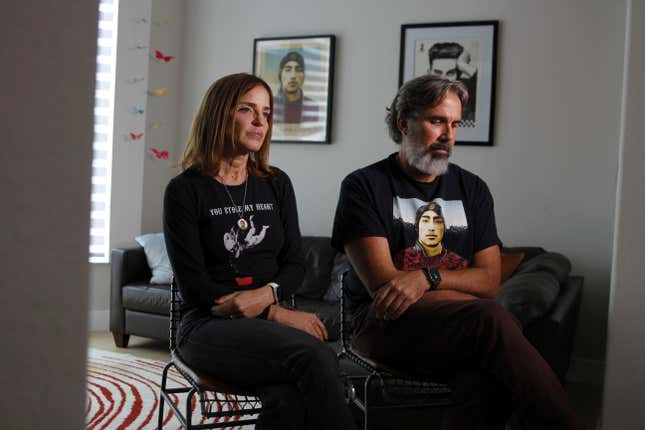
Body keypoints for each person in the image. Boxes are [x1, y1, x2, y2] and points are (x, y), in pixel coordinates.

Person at [331, 75, 582, 429]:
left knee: (486, 379)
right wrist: (466, 291)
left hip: (454, 328)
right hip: (380, 326)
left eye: (455, 123)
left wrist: (427, 277)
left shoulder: (472, 189)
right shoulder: (364, 186)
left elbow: (490, 280)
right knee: (491, 319)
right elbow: (386, 290)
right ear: (404, 122)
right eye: (436, 121)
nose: (448, 135)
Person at [163, 73, 356, 430]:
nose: (260, 122)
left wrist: (268, 299)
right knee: (312, 355)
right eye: (247, 110)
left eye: (266, 113)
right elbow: (196, 288)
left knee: (287, 398)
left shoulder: (276, 183)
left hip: (265, 324)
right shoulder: (185, 191)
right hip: (206, 326)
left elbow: (295, 264)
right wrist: (273, 313)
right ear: (220, 114)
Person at [393, 201, 467, 271]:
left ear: (444, 228)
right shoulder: (402, 258)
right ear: (417, 227)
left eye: (437, 221)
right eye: (425, 221)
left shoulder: (458, 262)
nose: (431, 228)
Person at [427, 42, 477, 124]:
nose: (443, 79)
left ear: (459, 75)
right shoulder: (419, 99)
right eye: (437, 72)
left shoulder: (468, 99)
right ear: (429, 72)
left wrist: (462, 64)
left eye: (450, 73)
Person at [273, 51, 319, 124]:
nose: (293, 76)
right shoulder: (270, 104)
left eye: (298, 70)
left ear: (303, 76)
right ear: (280, 74)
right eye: (288, 70)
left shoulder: (312, 107)